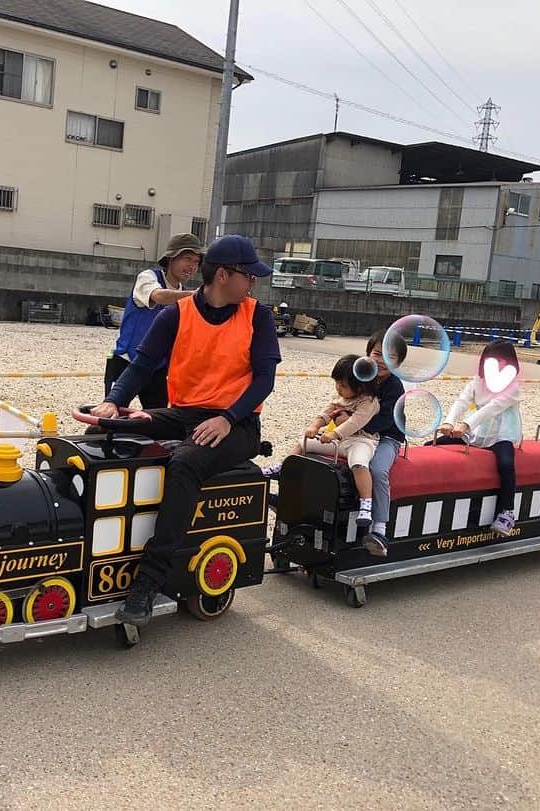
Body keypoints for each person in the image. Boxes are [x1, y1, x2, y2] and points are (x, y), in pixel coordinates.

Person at [89, 234, 281, 626]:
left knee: (186, 462)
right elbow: (141, 365)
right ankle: (93, 550)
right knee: (106, 432)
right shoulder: (177, 314)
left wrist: (227, 418)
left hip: (238, 422)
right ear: (224, 275)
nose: (254, 284)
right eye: (250, 276)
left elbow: (264, 381)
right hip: (186, 412)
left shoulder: (257, 315)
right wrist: (114, 399)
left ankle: (149, 579)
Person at [262, 354, 385, 555]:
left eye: (343, 385)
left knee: (359, 462)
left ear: (360, 386)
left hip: (362, 440)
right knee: (304, 443)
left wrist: (334, 433)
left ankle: (366, 503)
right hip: (339, 440)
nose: (339, 389)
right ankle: (283, 467)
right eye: (337, 384)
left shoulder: (369, 402)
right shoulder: (343, 398)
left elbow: (356, 423)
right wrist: (315, 426)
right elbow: (326, 412)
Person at [103, 233, 204, 409]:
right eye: (187, 259)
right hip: (127, 361)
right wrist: (196, 296)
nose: (192, 266)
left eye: (196, 262)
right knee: (111, 414)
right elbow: (159, 296)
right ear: (171, 258)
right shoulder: (148, 278)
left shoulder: (184, 293)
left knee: (157, 419)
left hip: (157, 367)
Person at [434, 340, 523, 536]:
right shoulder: (477, 381)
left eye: (502, 361)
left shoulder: (513, 387)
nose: (498, 366)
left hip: (501, 435)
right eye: (493, 361)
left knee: (506, 464)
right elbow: (462, 401)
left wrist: (465, 425)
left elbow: (493, 408)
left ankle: (507, 512)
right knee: (437, 444)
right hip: (478, 431)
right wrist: (449, 422)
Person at [359, 330, 407, 557]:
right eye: (377, 353)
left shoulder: (395, 386)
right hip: (362, 435)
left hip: (388, 437)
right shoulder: (361, 377)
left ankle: (379, 528)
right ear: (367, 354)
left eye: (391, 357)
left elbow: (386, 419)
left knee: (377, 469)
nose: (382, 361)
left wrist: (357, 427)